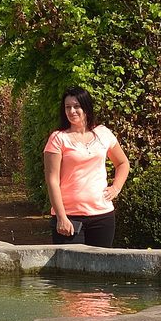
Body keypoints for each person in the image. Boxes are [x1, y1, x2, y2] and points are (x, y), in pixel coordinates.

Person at [43, 87, 131, 246]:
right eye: (67, 107)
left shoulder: (103, 133)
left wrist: (116, 188)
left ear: (86, 107)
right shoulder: (58, 139)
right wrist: (61, 217)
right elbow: (52, 180)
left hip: (102, 216)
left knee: (102, 262)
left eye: (76, 106)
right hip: (69, 217)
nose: (72, 111)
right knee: (70, 263)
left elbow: (123, 163)